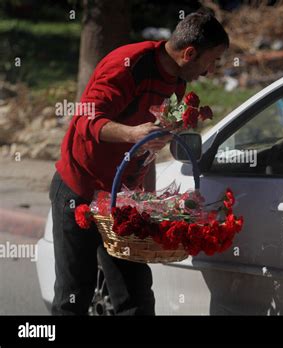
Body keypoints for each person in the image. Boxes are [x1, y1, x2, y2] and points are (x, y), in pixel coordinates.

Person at [49, 10, 229, 315]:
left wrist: (148, 203)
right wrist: (132, 133)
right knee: (74, 296)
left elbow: (149, 149)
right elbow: (85, 119)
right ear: (189, 53)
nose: (209, 71)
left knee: (136, 298)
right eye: (210, 61)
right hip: (79, 189)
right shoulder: (129, 66)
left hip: (121, 200)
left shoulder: (176, 83)